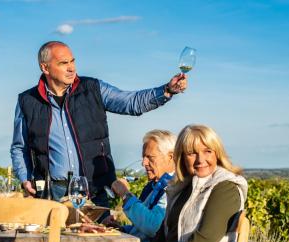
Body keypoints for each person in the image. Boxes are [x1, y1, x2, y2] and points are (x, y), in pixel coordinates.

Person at [10, 41, 187, 207]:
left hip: (93, 191)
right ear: (45, 67)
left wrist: (166, 91)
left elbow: (130, 102)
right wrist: (25, 178)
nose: (72, 68)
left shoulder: (93, 88)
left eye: (73, 61)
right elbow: (20, 147)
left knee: (97, 238)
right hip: (51, 193)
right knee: (53, 239)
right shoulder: (27, 101)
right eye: (64, 63)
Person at [99, 124, 248, 242]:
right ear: (182, 158)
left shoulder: (225, 188)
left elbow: (204, 239)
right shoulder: (185, 187)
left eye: (207, 151)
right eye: (192, 153)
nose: (200, 159)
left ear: (217, 152)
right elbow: (164, 230)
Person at [71, 130, 176, 242]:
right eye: (143, 157)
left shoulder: (172, 188)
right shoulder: (154, 186)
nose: (143, 163)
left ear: (171, 157)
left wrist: (126, 195)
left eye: (150, 158)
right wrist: (121, 228)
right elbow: (142, 229)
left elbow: (154, 226)